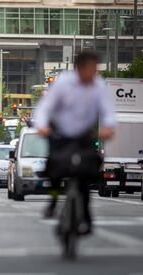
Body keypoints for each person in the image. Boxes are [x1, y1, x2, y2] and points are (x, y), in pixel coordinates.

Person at [34, 51, 116, 232]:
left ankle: (86, 216)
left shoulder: (98, 86)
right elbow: (45, 108)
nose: (93, 73)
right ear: (79, 68)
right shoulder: (63, 83)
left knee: (87, 172)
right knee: (54, 168)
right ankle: (53, 200)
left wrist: (109, 128)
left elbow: (108, 109)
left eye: (95, 69)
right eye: (90, 69)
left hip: (84, 135)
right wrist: (41, 126)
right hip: (60, 132)